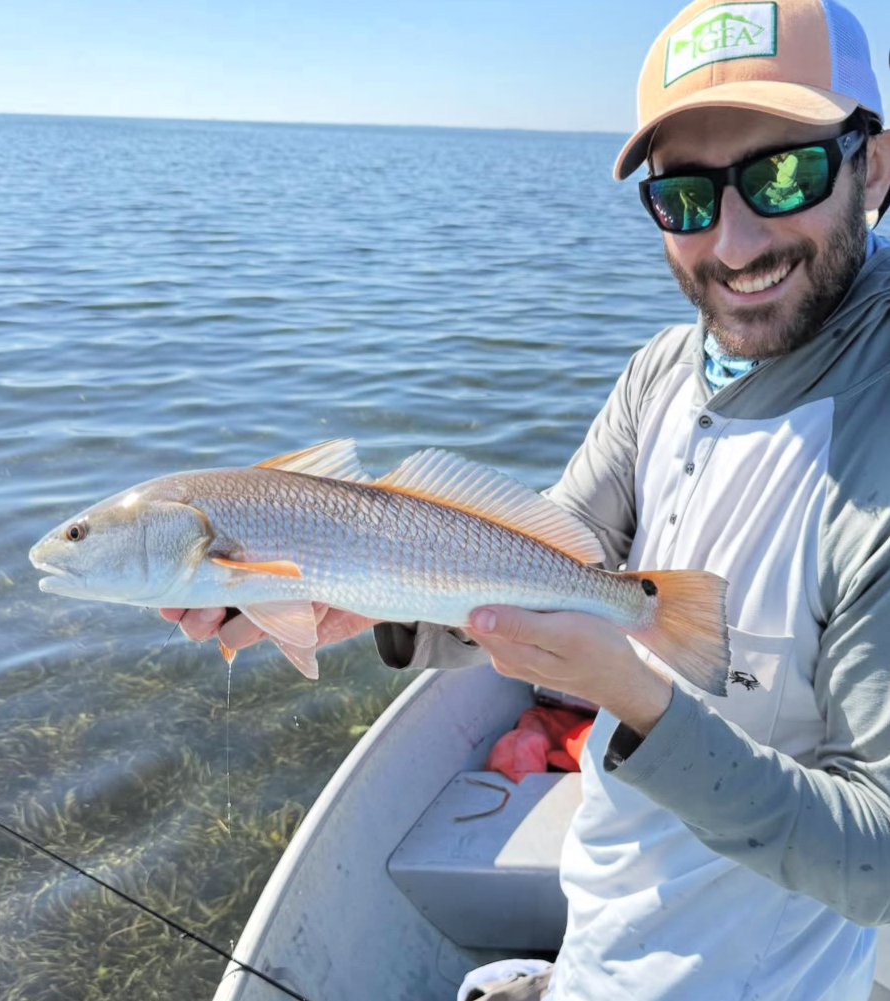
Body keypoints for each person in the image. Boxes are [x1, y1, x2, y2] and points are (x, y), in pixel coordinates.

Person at [163, 0, 890, 998]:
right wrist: (361, 598)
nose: (732, 242)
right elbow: (544, 558)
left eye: (781, 174)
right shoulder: (666, 373)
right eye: (684, 195)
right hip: (601, 938)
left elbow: (878, 859)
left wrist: (637, 695)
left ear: (875, 166)